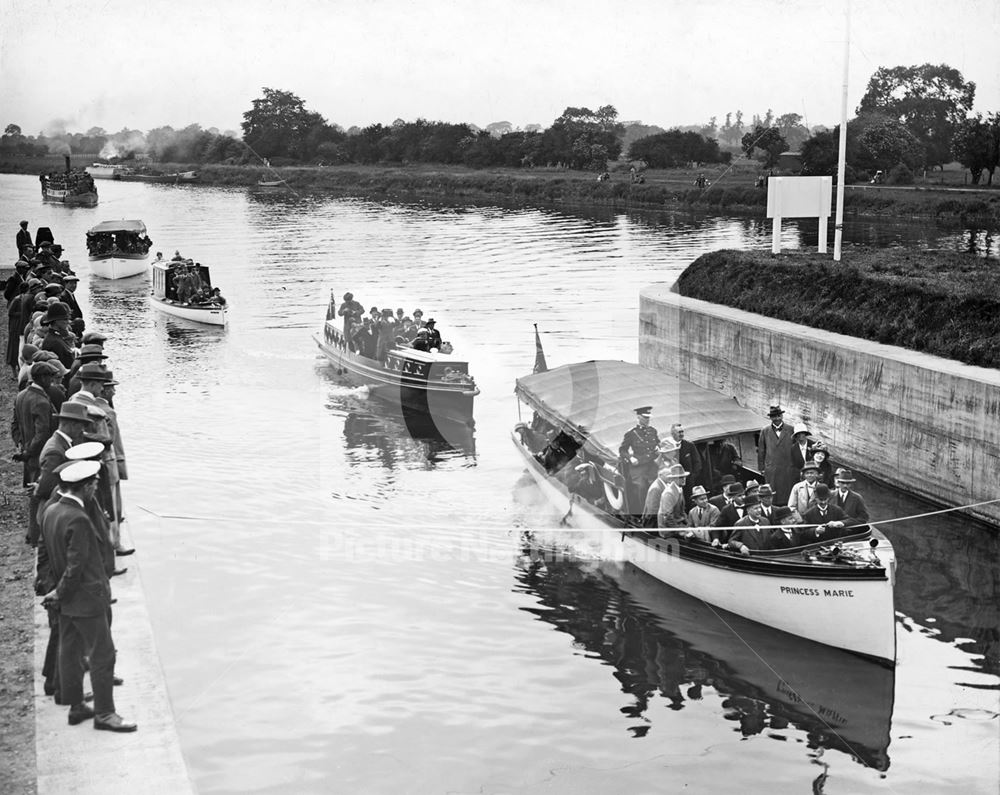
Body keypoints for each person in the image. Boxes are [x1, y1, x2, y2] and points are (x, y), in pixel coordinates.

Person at [40, 459, 137, 732]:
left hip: (68, 600)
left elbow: (51, 556)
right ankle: (105, 713)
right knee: (103, 654)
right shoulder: (79, 519)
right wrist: (61, 592)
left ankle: (76, 706)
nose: (96, 487)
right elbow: (76, 566)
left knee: (69, 651)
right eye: (93, 484)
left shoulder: (53, 511)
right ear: (83, 487)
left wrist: (58, 592)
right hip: (87, 599)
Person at [31, 402, 95, 546]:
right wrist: (39, 486)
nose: (82, 430)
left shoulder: (61, 444)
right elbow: (47, 488)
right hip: (53, 509)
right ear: (70, 424)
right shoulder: (56, 450)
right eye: (81, 425)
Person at [11, 361, 58, 487]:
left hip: (28, 453)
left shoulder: (21, 395)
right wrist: (29, 453)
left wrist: (21, 444)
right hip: (39, 457)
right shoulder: (41, 401)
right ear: (42, 378)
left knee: (32, 491)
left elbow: (14, 425)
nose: (52, 380)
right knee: (40, 493)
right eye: (50, 377)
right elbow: (42, 434)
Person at [619, 406, 662, 521]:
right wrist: (631, 458)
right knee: (641, 488)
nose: (647, 420)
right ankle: (643, 516)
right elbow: (622, 450)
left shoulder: (652, 431)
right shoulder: (632, 433)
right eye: (645, 417)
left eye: (648, 418)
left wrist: (658, 448)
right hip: (639, 466)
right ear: (638, 417)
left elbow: (658, 443)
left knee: (659, 485)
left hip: (652, 464)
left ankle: (658, 513)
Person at [757, 405, 796, 504]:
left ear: (782, 416)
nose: (777, 418)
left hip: (787, 466)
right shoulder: (765, 431)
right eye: (774, 416)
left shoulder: (791, 429)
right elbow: (761, 450)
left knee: (787, 491)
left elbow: (797, 449)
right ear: (770, 418)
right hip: (772, 468)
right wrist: (761, 468)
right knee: (773, 492)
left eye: (779, 416)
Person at [670, 423, 703, 495]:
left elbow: (697, 462)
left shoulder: (689, 445)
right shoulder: (669, 446)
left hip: (688, 482)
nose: (681, 434)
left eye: (682, 431)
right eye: (679, 432)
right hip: (674, 483)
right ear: (673, 434)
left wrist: (692, 477)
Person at [656, 463, 690, 531]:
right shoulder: (668, 493)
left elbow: (682, 511)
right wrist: (680, 530)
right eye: (680, 477)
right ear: (673, 479)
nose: (684, 479)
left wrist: (689, 524)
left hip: (678, 523)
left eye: (684, 477)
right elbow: (667, 518)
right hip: (668, 529)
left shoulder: (680, 489)